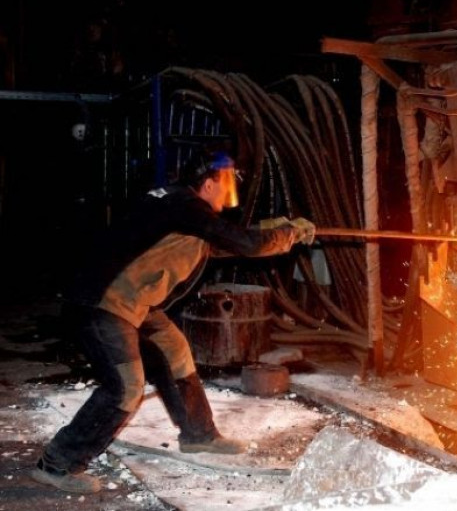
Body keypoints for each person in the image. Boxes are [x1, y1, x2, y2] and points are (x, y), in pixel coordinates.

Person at [31, 149, 316, 494]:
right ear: (208, 184)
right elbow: (242, 243)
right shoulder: (186, 206)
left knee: (175, 353)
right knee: (126, 387)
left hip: (133, 300)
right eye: (226, 184)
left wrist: (274, 232)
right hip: (104, 302)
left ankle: (199, 435)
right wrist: (288, 234)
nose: (230, 193)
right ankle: (58, 463)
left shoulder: (177, 206)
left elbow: (221, 243)